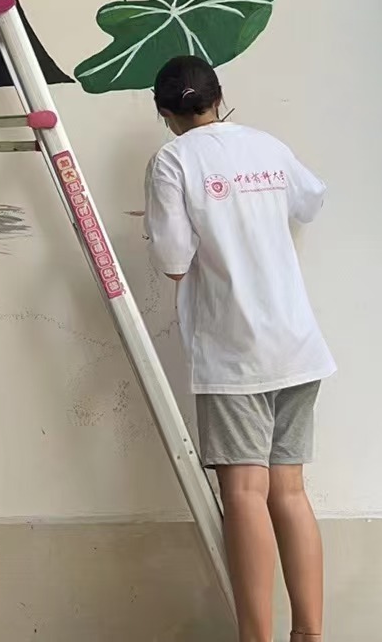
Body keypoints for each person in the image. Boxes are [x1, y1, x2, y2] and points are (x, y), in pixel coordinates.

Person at [142, 55, 332, 642]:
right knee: (290, 492)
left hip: (235, 351)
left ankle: (256, 638)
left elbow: (173, 261)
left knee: (246, 494)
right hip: (297, 344)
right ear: (220, 99)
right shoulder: (265, 145)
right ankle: (309, 634)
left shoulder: (173, 160)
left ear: (164, 112)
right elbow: (311, 200)